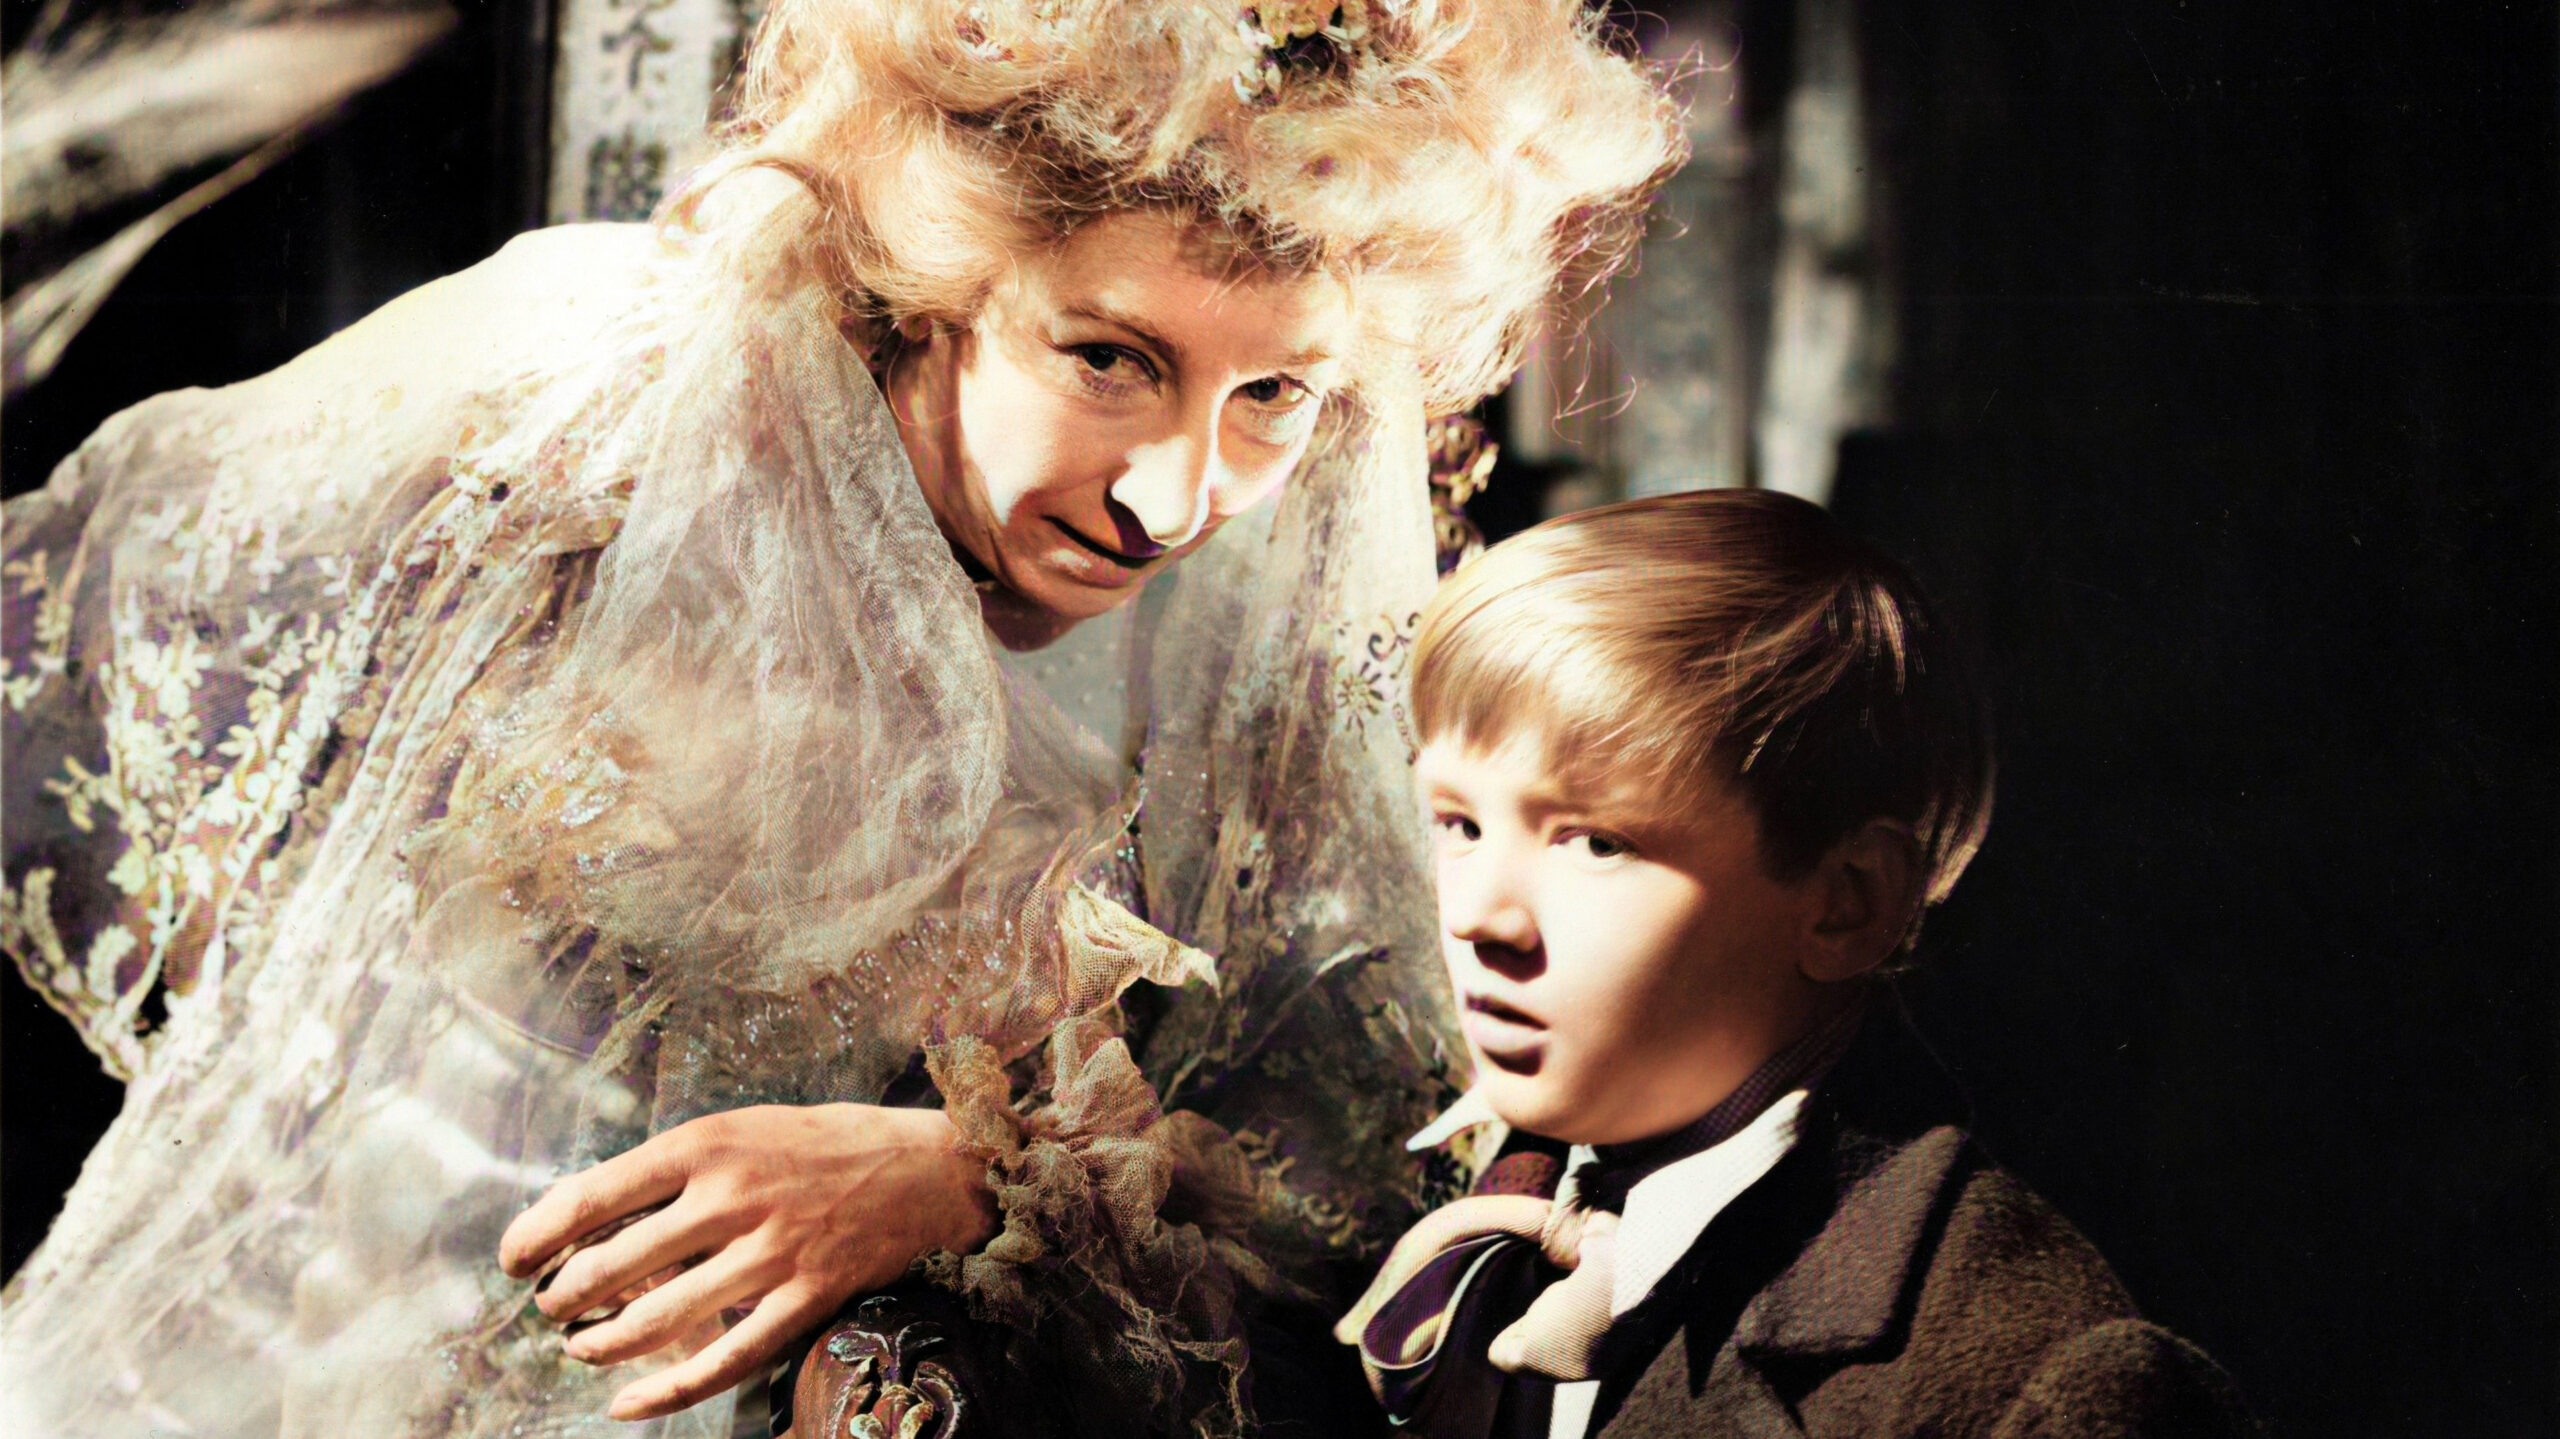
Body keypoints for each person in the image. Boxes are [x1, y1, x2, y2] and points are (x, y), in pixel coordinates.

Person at [0, 2, 1685, 1434]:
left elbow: (1357, 1124)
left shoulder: (1266, 611)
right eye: (1108, 358)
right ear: (943, 273)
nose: (1179, 495)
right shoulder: (592, 401)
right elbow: (90, 603)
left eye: (1274, 395)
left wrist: (975, 1174)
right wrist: (286, 967)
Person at [1337, 492, 2257, 1439]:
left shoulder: (2036, 1388)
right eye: (1459, 823)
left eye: (1598, 842)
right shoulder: (1394, 1200)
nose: (1478, 916)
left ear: (1846, 901)